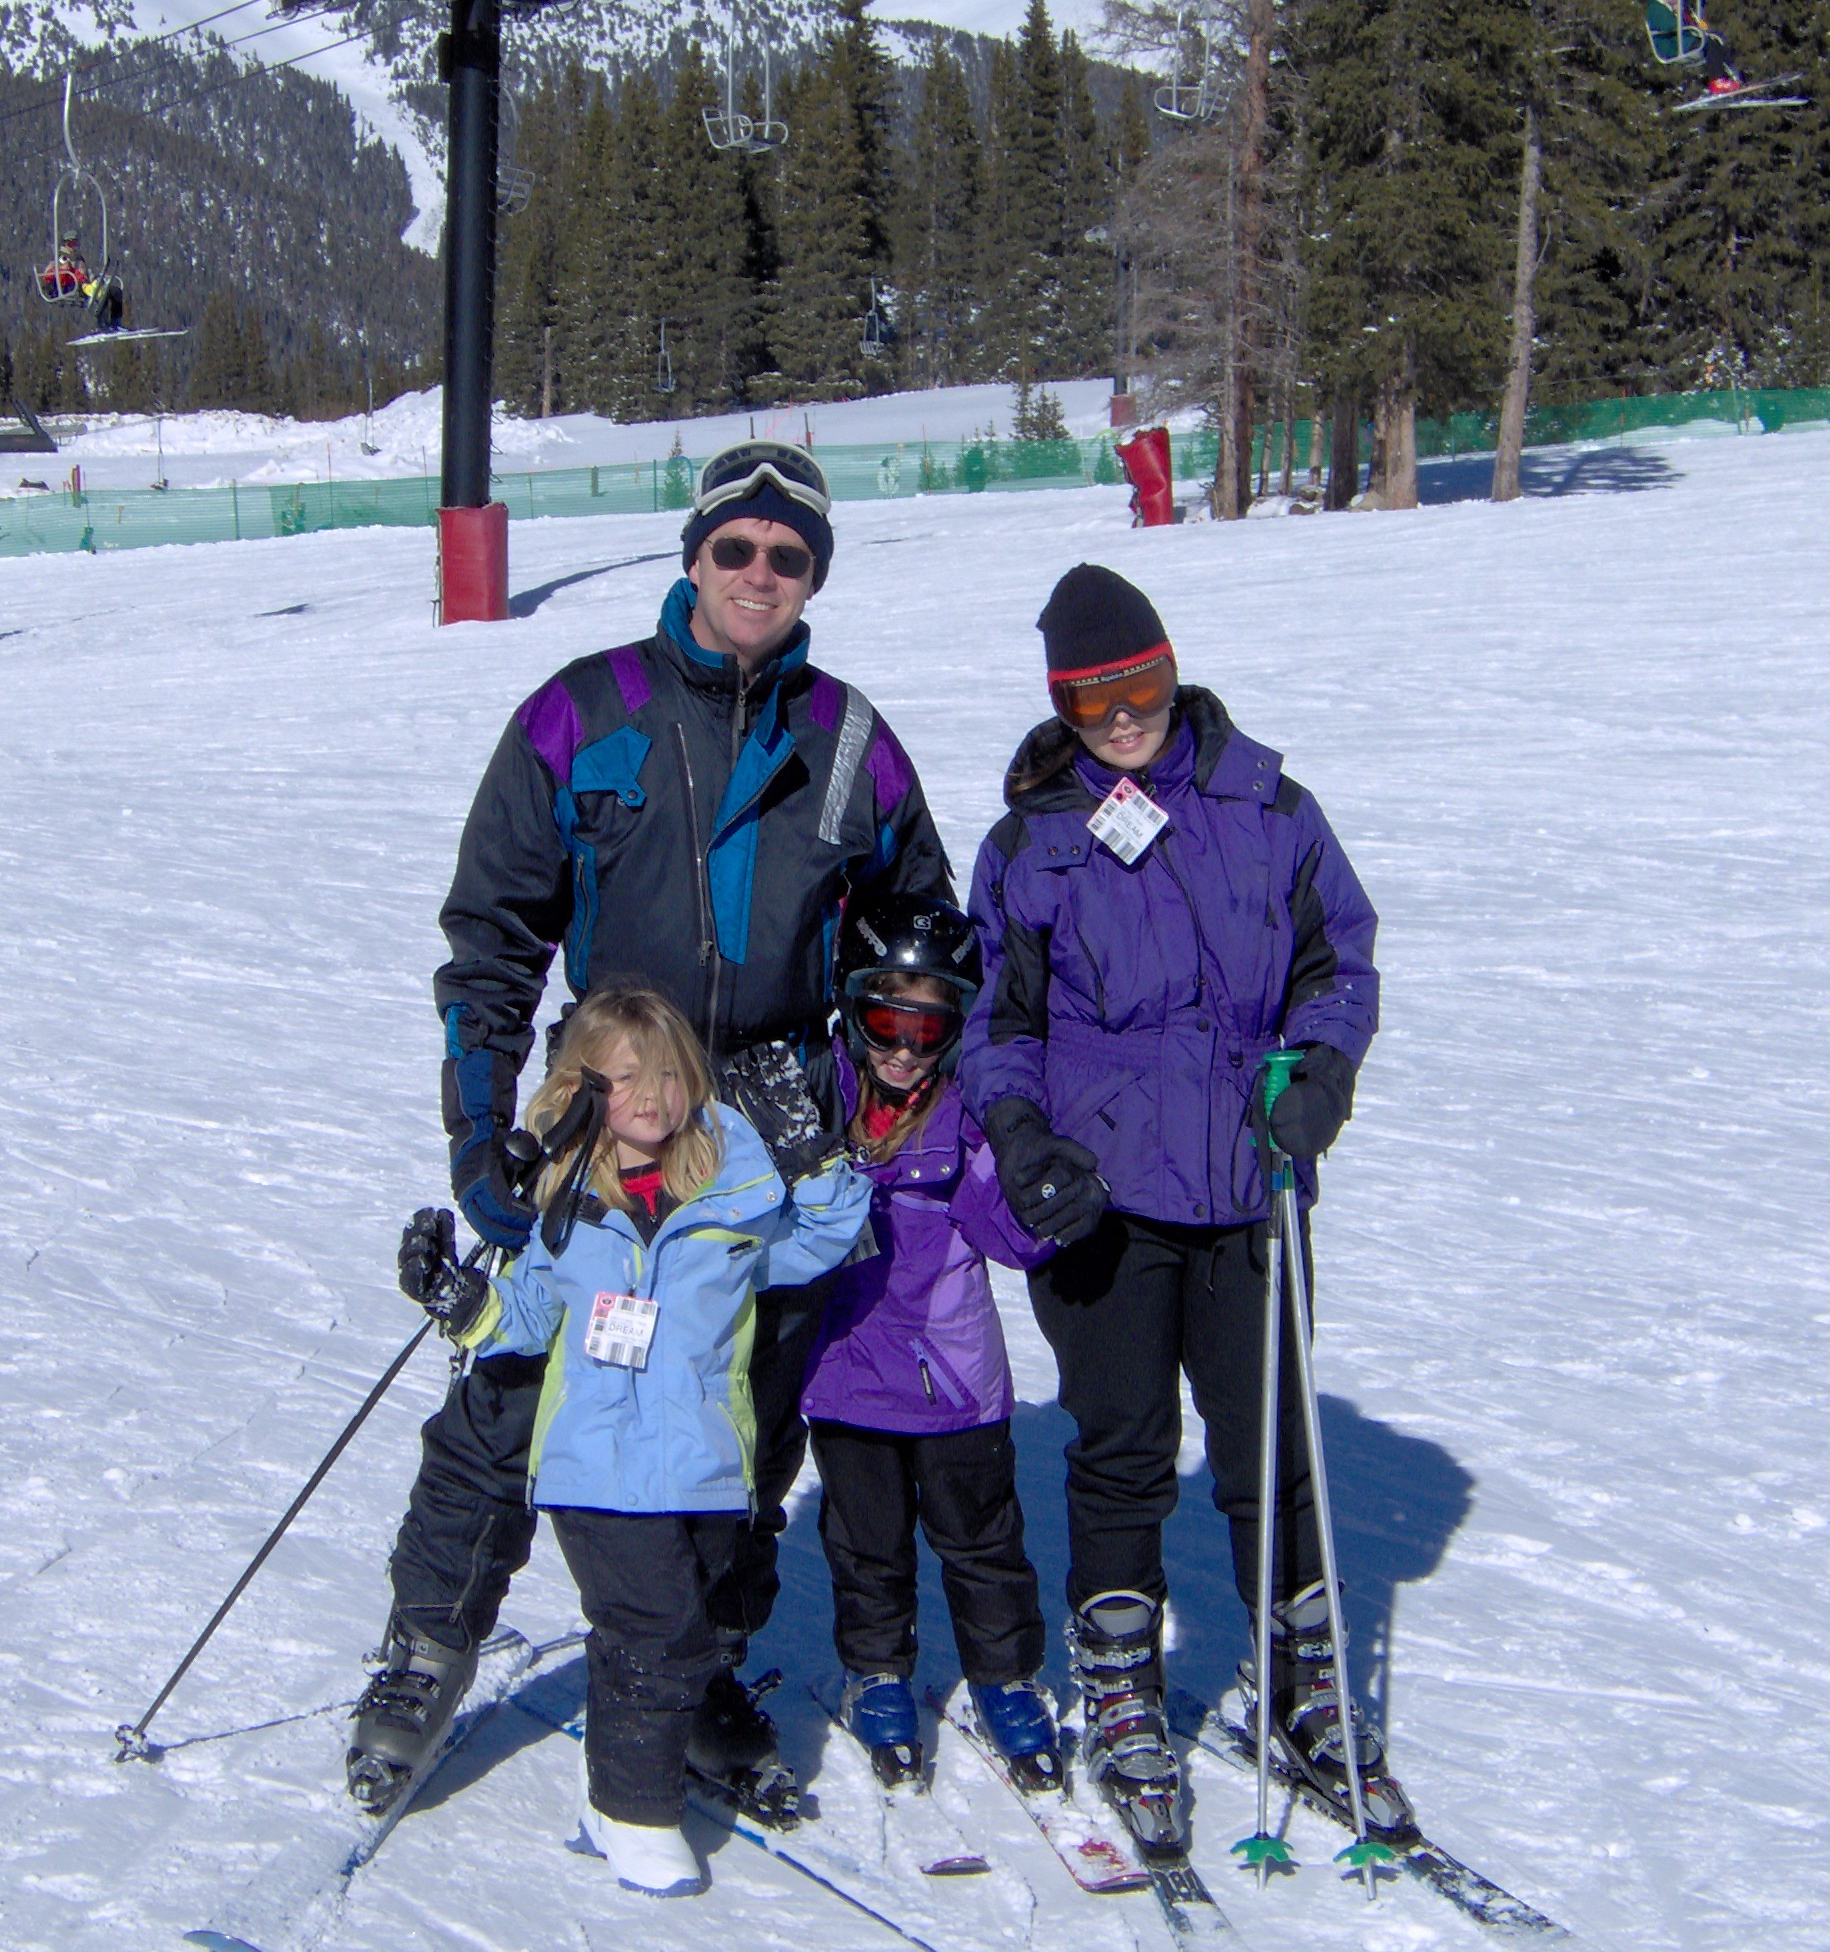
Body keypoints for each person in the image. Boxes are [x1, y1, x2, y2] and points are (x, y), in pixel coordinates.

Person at [349, 438, 954, 1819]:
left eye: (787, 557)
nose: (758, 573)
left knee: (738, 1411)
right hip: (609, 1105)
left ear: (813, 579)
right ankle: (429, 1642)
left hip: (763, 1122)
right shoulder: (583, 711)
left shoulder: (850, 742)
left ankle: (700, 1659)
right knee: (515, 1389)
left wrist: (871, 1082)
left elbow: (917, 939)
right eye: (736, 547)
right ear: (694, 556)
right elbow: (490, 942)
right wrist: (482, 1133)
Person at [958, 563, 1396, 1851]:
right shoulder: (1032, 843)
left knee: (1271, 1443)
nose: (1121, 718)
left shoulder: (1269, 805)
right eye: (1089, 701)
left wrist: (1321, 1070)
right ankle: (1120, 1680)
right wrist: (1020, 1133)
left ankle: (1302, 1672)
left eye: (1139, 686)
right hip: (1101, 1196)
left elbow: (1338, 957)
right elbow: (997, 1023)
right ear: (1061, 707)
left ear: (1170, 670)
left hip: (1250, 1177)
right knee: (1123, 1444)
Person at [395, 984, 871, 1896]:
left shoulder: (733, 1200)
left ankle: (605, 1803)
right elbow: (526, 1315)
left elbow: (825, 1235)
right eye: (621, 1079)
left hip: (704, 1470)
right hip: (597, 1468)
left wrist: (811, 1155)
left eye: (665, 1075)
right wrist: (461, 1300)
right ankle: (633, 1812)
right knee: (663, 1636)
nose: (649, 1096)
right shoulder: (568, 1206)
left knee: (650, 1634)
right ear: (580, 1089)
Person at [802, 891, 1062, 1792]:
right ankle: (878, 1670)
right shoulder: (822, 1099)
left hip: (953, 1385)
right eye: (886, 1022)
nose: (905, 1050)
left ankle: (1004, 1676)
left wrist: (1047, 1190)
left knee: (982, 1541)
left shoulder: (961, 1117)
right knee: (865, 1542)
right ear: (853, 1010)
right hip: (845, 1378)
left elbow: (1013, 1238)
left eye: (928, 1028)